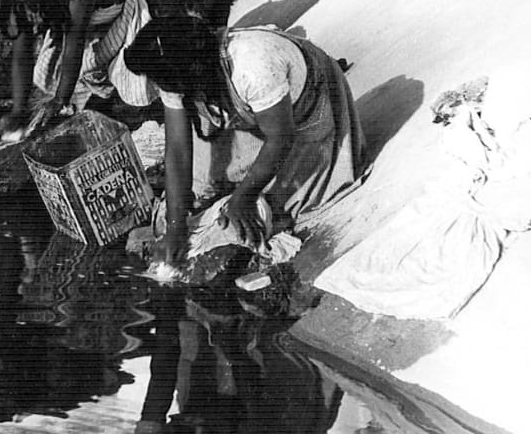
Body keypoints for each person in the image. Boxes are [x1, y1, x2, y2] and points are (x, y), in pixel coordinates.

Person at [122, 15, 364, 266]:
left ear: (191, 75)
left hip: (305, 110)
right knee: (193, 198)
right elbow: (178, 150)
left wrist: (243, 198)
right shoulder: (173, 68)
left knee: (270, 208)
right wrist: (174, 227)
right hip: (258, 117)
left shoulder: (252, 65)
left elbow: (281, 138)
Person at [0, 0, 157, 136]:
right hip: (87, 25)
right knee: (50, 72)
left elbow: (74, 39)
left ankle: (144, 117)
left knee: (134, 78)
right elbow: (22, 53)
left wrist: (60, 100)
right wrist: (18, 110)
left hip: (122, 14)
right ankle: (101, 107)